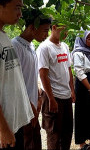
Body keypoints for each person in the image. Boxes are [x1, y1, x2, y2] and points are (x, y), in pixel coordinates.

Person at [11, 9, 51, 150]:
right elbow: (16, 82)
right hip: (22, 110)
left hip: (32, 107)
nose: (47, 35)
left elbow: (31, 77)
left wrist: (39, 98)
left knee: (35, 142)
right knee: (26, 142)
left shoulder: (31, 45)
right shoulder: (15, 46)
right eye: (45, 30)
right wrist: (29, 106)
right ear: (32, 27)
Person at [0, 0, 34, 149]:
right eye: (17, 7)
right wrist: (3, 130)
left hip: (15, 123)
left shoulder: (4, 36)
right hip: (5, 129)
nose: (20, 14)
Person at [36, 24, 75, 150]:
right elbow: (43, 75)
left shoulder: (64, 46)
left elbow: (69, 70)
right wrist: (51, 99)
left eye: (68, 30)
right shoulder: (44, 48)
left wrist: (72, 91)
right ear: (54, 27)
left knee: (67, 132)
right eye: (64, 29)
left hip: (66, 96)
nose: (66, 33)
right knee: (54, 135)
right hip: (52, 98)